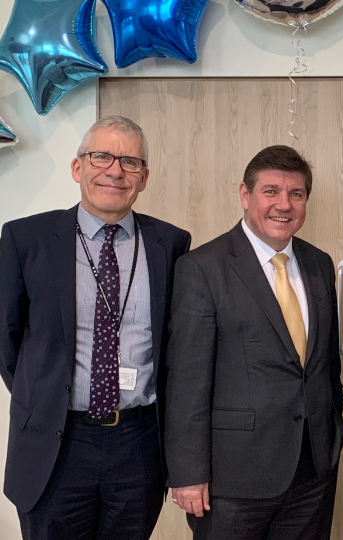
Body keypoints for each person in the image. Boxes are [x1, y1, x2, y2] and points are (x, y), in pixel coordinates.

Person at [0, 116, 191, 540]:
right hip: (57, 442)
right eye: (101, 156)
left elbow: (175, 345)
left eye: (129, 161)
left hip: (138, 443)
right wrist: (44, 397)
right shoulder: (25, 238)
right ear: (77, 167)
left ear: (144, 177)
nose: (115, 170)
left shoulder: (172, 244)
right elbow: (6, 339)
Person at [164, 145, 343, 540]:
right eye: (270, 191)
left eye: (296, 194)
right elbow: (187, 382)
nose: (284, 204)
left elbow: (324, 362)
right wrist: (188, 474)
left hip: (312, 471)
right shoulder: (202, 268)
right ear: (245, 195)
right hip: (232, 480)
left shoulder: (318, 263)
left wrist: (334, 433)